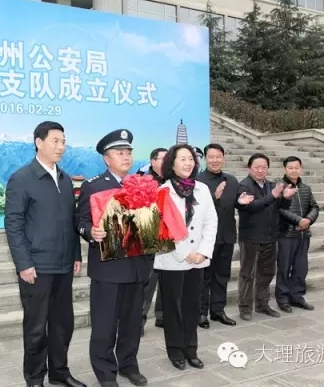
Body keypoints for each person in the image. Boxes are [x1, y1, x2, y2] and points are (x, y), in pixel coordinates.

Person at [4, 121, 85, 387]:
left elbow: (71, 221)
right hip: (37, 266)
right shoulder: (22, 178)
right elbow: (13, 224)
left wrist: (76, 254)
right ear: (39, 143)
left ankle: (59, 371)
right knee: (36, 327)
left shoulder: (65, 178)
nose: (61, 147)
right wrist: (23, 264)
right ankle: (35, 377)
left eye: (63, 142)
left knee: (63, 324)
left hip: (63, 264)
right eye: (55, 141)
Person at [75, 129, 152, 387]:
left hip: (136, 266)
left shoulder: (140, 184)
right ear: (107, 158)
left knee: (132, 323)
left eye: (128, 152)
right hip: (108, 269)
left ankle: (129, 364)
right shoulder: (94, 185)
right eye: (120, 153)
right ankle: (105, 372)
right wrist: (91, 232)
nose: (126, 157)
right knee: (105, 324)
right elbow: (80, 221)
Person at [153, 144, 226, 371]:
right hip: (172, 259)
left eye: (190, 159)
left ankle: (191, 349)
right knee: (173, 308)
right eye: (182, 159)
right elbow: (166, 227)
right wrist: (186, 253)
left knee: (192, 306)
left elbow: (211, 221)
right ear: (172, 163)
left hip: (198, 260)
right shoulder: (163, 191)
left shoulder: (202, 189)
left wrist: (203, 251)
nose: (188, 163)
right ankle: (175, 350)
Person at [237, 153, 297, 321]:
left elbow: (280, 207)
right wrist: (273, 195)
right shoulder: (244, 186)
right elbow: (252, 206)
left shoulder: (271, 185)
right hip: (251, 238)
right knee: (247, 274)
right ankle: (245, 307)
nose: (260, 170)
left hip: (270, 237)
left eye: (264, 167)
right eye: (257, 167)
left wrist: (286, 198)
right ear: (249, 168)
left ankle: (262, 304)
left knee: (267, 272)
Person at [196, 144, 240, 328]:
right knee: (204, 277)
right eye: (211, 157)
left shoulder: (232, 180)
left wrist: (242, 202)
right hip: (205, 239)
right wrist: (215, 197)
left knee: (222, 276)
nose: (215, 160)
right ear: (205, 159)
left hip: (226, 236)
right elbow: (195, 211)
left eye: (218, 156)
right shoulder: (197, 181)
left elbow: (237, 203)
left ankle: (218, 311)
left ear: (223, 158)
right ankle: (201, 313)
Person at [276, 156, 319, 313]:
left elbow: (314, 207)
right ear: (284, 169)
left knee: (301, 268)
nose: (294, 170)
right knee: (284, 268)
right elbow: (279, 209)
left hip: (303, 234)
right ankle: (282, 299)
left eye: (296, 167)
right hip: (286, 234)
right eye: (290, 168)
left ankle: (297, 296)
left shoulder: (306, 188)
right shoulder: (279, 187)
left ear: (301, 168)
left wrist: (308, 220)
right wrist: (298, 220)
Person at [139, 147, 167, 333]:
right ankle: (139, 321)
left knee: (167, 280)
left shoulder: (173, 180)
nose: (166, 161)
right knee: (148, 282)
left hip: (169, 236)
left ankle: (162, 316)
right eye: (163, 158)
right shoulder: (143, 180)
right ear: (153, 161)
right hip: (149, 237)